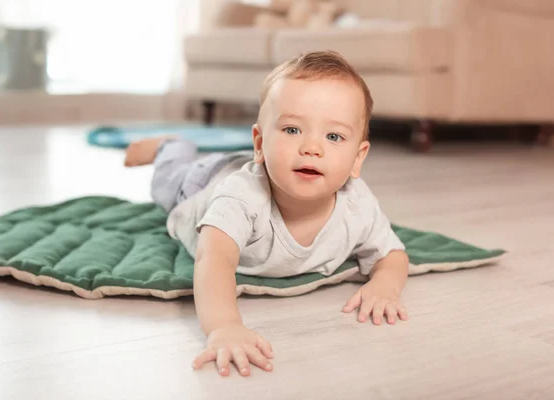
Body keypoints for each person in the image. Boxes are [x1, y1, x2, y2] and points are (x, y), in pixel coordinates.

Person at [124, 51, 410, 378]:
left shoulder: (357, 204)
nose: (312, 148)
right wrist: (224, 326)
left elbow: (392, 254)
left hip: (257, 165)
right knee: (166, 182)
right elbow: (214, 261)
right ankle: (172, 146)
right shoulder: (241, 199)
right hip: (200, 184)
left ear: (358, 158)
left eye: (333, 136)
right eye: (292, 130)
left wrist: (385, 284)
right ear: (260, 142)